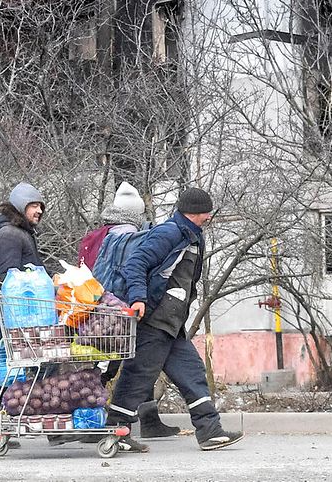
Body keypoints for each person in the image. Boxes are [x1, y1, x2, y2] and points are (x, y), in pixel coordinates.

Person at [107, 187, 243, 452]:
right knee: (138, 376)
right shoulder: (169, 232)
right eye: (207, 212)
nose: (210, 217)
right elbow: (136, 263)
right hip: (155, 318)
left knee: (191, 372)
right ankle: (115, 432)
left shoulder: (192, 235)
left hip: (172, 322)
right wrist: (138, 298)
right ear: (195, 212)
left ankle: (210, 431)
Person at [77, 182, 181, 440]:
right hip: (117, 307)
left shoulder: (96, 236)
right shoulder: (129, 237)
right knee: (111, 364)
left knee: (127, 360)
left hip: (94, 305)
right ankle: (91, 419)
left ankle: (146, 418)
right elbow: (134, 269)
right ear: (136, 214)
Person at [0, 181, 46, 449]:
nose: (39, 210)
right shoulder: (10, 236)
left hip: (18, 317)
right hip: (12, 318)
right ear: (20, 206)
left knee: (11, 371)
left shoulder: (20, 233)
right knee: (2, 371)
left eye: (41, 205)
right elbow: (11, 279)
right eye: (34, 205)